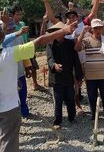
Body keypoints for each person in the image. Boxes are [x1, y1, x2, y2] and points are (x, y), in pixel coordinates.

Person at [0, 9, 78, 152]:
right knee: (8, 140)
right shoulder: (9, 54)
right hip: (7, 108)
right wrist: (64, 29)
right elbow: (41, 40)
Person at [75, 18, 104, 121]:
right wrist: (83, 33)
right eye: (95, 28)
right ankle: (94, 116)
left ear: (102, 28)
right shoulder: (86, 41)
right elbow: (77, 48)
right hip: (90, 76)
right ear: (92, 29)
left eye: (99, 28)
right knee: (92, 97)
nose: (97, 30)